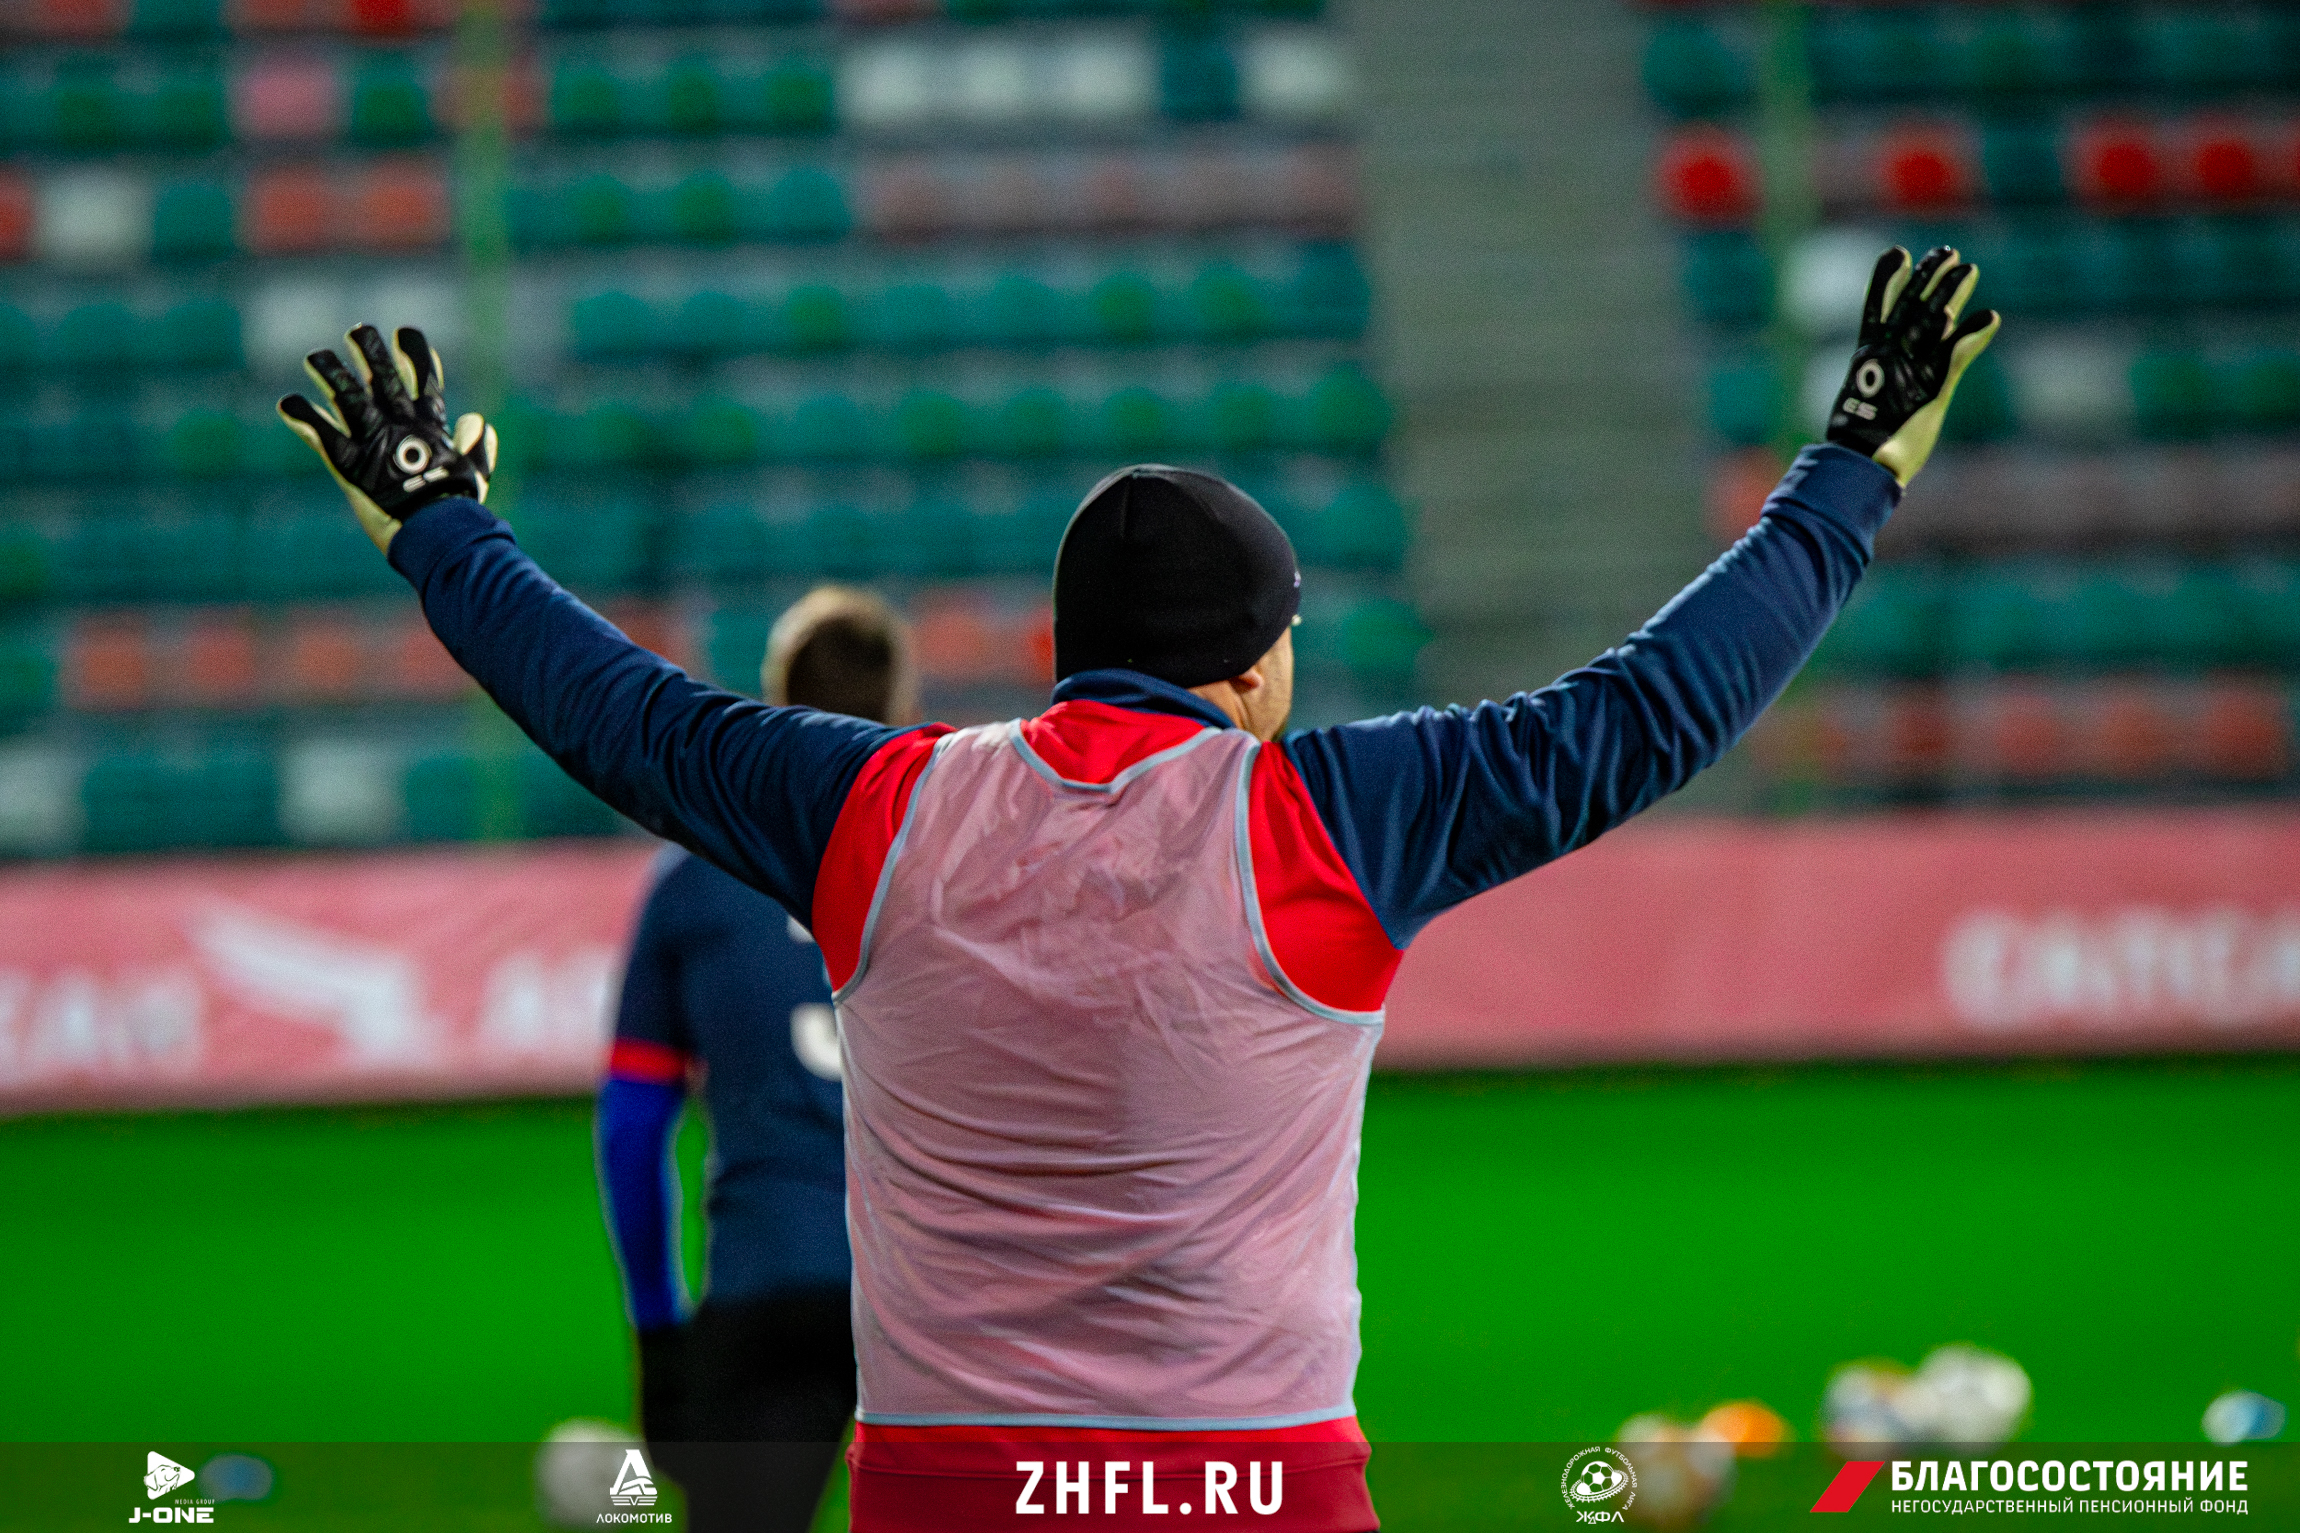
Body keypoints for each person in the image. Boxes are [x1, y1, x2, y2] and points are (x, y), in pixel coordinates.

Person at [280, 245, 1997, 1530]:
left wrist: (443, 525)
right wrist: (1853, 463)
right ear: (1251, 667)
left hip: (950, 1488)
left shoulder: (877, 809)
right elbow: (1649, 709)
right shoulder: (1330, 823)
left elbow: (620, 712)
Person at [596, 586, 917, 1532]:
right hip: (930, 1301)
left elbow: (631, 1126)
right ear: (897, 702)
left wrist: (658, 1333)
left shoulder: (692, 878)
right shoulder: (949, 861)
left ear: (775, 700)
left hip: (769, 1276)